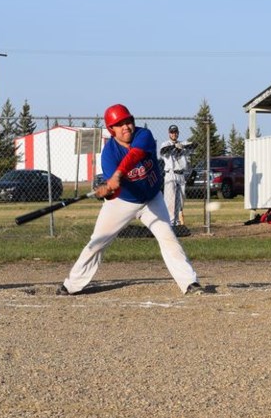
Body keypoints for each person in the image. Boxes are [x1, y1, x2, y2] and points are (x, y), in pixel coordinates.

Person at [57, 104, 205, 296]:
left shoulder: (144, 135)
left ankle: (190, 283)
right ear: (111, 130)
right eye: (119, 124)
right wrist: (107, 191)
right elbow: (114, 193)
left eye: (128, 121)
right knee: (97, 242)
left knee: (168, 238)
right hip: (122, 202)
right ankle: (72, 285)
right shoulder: (109, 154)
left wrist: (119, 173)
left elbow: (135, 155)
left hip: (152, 199)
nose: (126, 126)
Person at [160, 124, 190, 226]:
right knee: (170, 200)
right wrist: (174, 146)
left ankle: (177, 223)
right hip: (170, 174)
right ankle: (170, 222)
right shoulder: (165, 144)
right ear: (169, 133)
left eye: (176, 132)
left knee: (180, 201)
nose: (174, 134)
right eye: (172, 132)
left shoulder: (182, 143)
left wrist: (183, 146)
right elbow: (163, 151)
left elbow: (194, 145)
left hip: (181, 174)